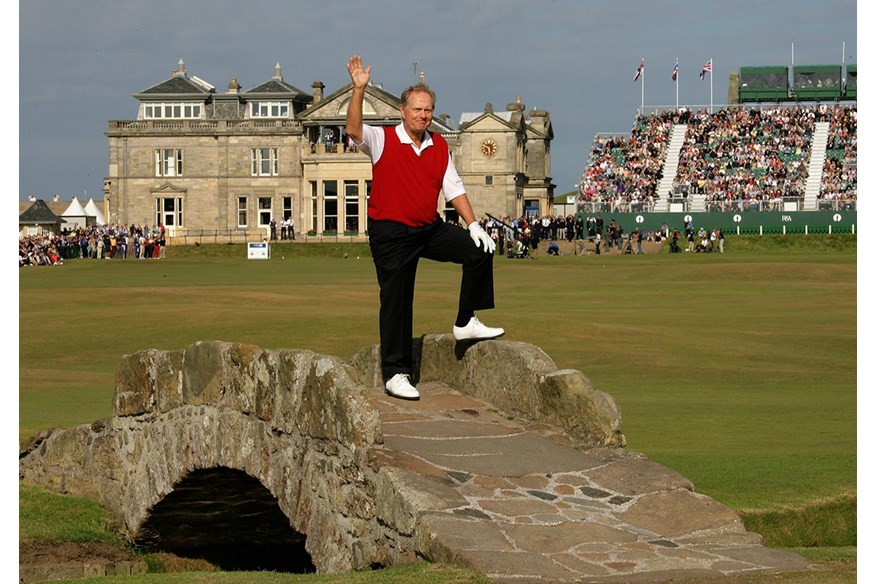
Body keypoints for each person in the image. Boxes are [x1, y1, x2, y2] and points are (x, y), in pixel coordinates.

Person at [345, 55, 503, 401]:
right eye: (417, 109)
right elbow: (354, 131)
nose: (423, 115)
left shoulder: (439, 144)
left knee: (480, 250)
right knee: (397, 299)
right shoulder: (383, 138)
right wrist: (359, 91)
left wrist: (473, 224)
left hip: (427, 227)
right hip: (390, 231)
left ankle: (465, 322)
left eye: (428, 110)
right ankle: (396, 372)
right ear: (403, 111)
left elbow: (454, 188)